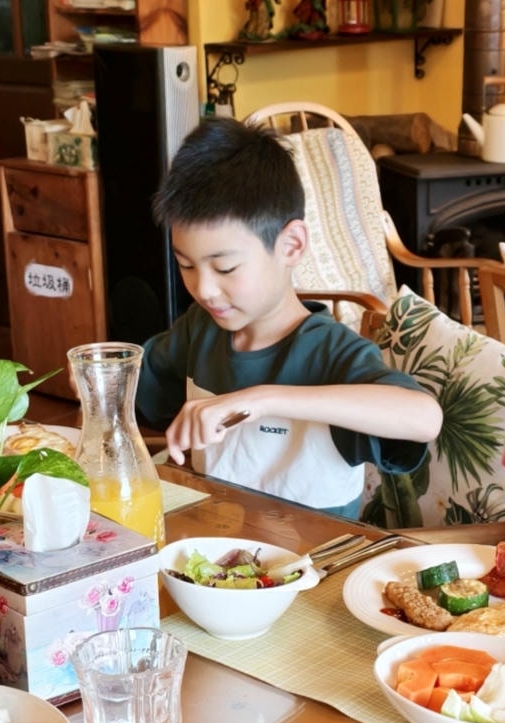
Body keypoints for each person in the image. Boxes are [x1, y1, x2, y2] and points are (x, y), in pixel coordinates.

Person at [137, 116, 442, 518]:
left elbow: (424, 418)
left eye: (225, 268)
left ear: (291, 245)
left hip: (317, 555)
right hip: (210, 550)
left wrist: (262, 400)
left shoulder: (328, 350)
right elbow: (134, 383)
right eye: (186, 265)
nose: (204, 288)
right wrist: (100, 377)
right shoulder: (200, 329)